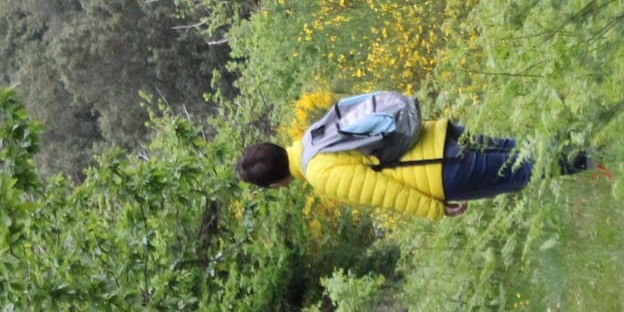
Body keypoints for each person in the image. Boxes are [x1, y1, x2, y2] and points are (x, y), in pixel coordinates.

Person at [236, 118, 595, 220]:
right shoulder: (313, 132)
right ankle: (591, 137)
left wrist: (435, 209)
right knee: (520, 149)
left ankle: (595, 155)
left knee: (524, 169)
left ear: (274, 184)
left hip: (440, 170)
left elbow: (386, 192)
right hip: (437, 134)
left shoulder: (320, 174)